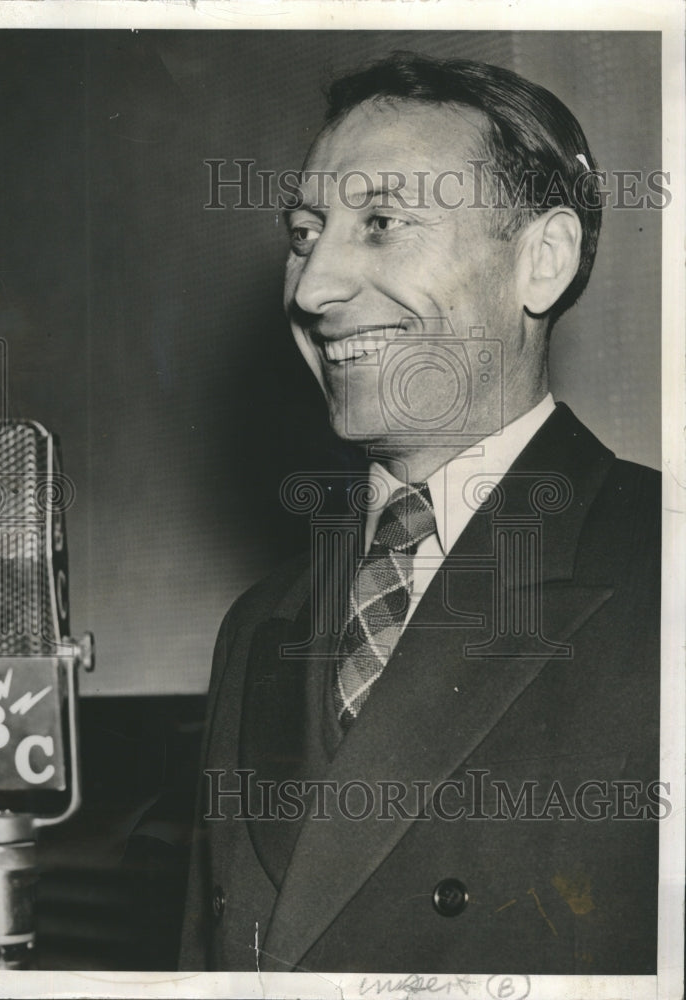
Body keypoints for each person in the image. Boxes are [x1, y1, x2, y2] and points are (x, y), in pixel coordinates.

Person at [178, 54, 661, 974]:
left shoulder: (666, 566)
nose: (313, 291)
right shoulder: (257, 627)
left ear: (541, 261)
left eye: (383, 222)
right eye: (304, 233)